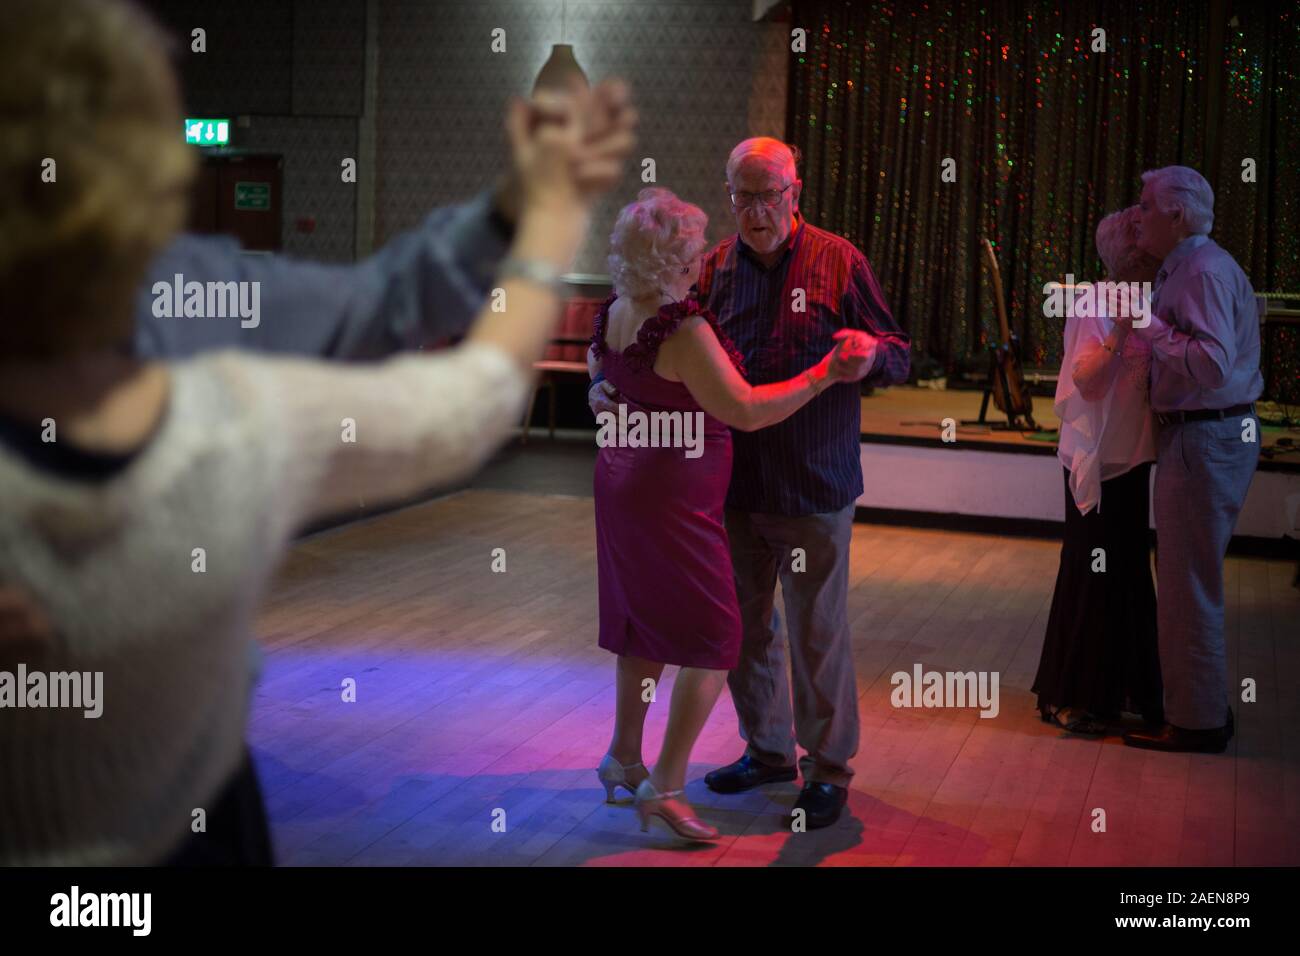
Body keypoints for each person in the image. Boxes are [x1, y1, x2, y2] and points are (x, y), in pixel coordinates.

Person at [0, 0, 635, 865]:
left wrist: (513, 207)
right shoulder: (236, 422)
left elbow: (382, 305)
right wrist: (552, 213)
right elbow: (471, 399)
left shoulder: (199, 294)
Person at [592, 138, 911, 829]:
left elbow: (900, 352)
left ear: (796, 193)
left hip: (812, 482)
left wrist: (869, 357)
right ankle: (768, 751)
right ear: (729, 194)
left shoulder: (839, 260)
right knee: (744, 632)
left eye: (771, 194)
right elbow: (656, 348)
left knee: (817, 630)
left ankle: (827, 768)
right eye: (744, 195)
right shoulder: (708, 270)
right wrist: (604, 390)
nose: (758, 210)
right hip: (730, 491)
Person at [1122, 166, 1263, 754]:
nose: (1137, 215)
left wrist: (1147, 327)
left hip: (1205, 438)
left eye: (1146, 205)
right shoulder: (1195, 266)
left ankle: (1196, 723)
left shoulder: (1201, 271)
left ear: (1176, 214)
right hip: (1208, 435)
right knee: (1189, 580)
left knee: (1187, 586)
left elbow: (1210, 364)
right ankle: (1200, 709)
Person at [1032, 207, 1164, 737]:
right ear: (1126, 254)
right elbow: (1086, 381)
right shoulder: (1095, 301)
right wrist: (1125, 331)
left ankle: (1128, 691)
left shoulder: (1152, 298)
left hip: (1131, 457)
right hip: (1098, 462)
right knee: (1093, 572)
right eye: (1144, 245)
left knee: (1128, 572)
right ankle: (1075, 695)